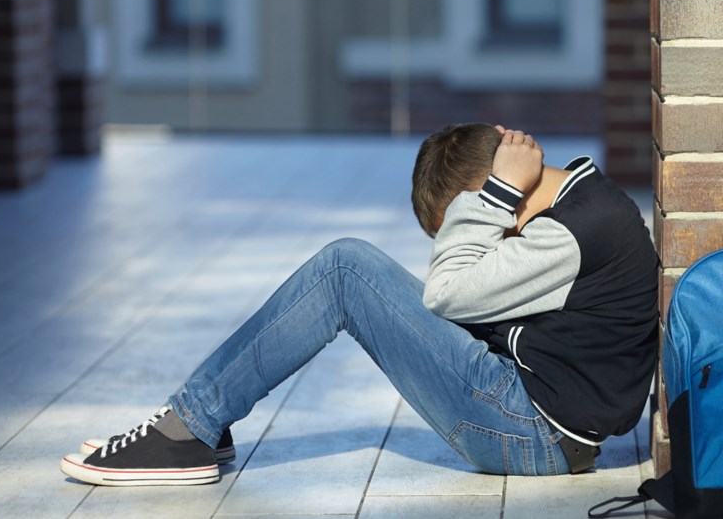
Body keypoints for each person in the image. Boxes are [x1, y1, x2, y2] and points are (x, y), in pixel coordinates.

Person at [59, 123, 658, 486]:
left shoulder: (569, 233)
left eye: (473, 221)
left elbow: (447, 293)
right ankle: (202, 422)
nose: (479, 235)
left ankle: (187, 428)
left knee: (346, 267)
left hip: (532, 433)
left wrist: (496, 193)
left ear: (496, 195)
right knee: (354, 268)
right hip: (539, 416)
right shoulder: (584, 207)